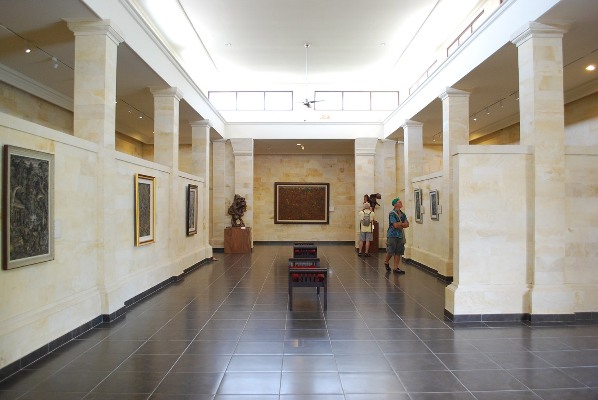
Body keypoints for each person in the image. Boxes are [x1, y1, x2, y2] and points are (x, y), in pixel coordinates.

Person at [384, 197, 409, 273]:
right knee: (391, 250)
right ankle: (386, 262)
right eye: (399, 202)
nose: (401, 203)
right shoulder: (392, 213)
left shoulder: (403, 214)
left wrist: (400, 224)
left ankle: (396, 267)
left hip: (400, 235)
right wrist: (402, 224)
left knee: (398, 251)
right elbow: (395, 225)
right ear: (395, 204)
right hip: (392, 234)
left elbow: (407, 224)